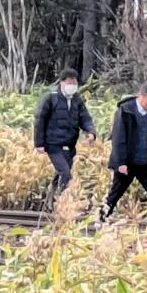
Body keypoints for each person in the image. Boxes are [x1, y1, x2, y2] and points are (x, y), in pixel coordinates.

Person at [102, 82, 147, 222]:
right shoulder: (125, 111)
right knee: (115, 193)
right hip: (127, 163)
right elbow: (118, 138)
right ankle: (100, 218)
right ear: (140, 96)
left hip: (146, 162)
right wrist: (121, 162)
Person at [34, 69, 96, 201]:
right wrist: (39, 143)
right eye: (69, 83)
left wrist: (90, 132)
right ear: (61, 83)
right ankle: (61, 201)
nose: (72, 87)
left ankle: (50, 203)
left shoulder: (77, 99)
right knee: (65, 174)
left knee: (60, 174)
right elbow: (40, 120)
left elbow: (84, 118)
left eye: (74, 84)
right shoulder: (51, 97)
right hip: (53, 144)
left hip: (69, 145)